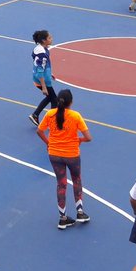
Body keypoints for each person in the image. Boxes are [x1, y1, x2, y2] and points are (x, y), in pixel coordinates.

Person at [35, 88, 92, 230]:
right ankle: (80, 212)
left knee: (61, 184)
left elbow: (39, 131)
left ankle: (63, 218)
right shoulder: (75, 116)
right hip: (72, 154)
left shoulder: (50, 114)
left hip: (54, 154)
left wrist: (49, 143)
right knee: (76, 180)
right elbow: (89, 137)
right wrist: (80, 140)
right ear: (71, 102)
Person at [28, 30, 57, 125]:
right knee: (54, 100)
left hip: (42, 78)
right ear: (44, 40)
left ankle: (35, 115)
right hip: (42, 81)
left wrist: (49, 73)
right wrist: (44, 87)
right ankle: (52, 122)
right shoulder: (42, 54)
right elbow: (40, 71)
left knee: (50, 98)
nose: (51, 39)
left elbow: (42, 66)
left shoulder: (41, 49)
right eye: (49, 38)